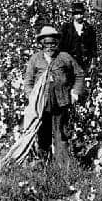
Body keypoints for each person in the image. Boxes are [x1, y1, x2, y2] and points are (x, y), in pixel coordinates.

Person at [24, 26, 85, 165]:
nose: (50, 47)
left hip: (61, 102)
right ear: (41, 44)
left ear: (57, 43)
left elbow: (79, 74)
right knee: (43, 135)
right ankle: (44, 164)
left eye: (53, 43)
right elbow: (28, 80)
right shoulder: (35, 59)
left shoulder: (64, 57)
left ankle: (63, 167)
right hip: (42, 104)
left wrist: (75, 92)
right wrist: (31, 97)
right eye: (47, 43)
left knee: (61, 135)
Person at [59, 2, 98, 72]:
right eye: (76, 14)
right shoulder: (66, 28)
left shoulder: (89, 28)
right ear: (73, 15)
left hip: (84, 61)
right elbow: (61, 45)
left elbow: (93, 46)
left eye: (81, 14)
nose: (79, 16)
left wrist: (93, 62)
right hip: (69, 61)